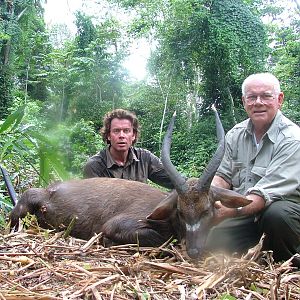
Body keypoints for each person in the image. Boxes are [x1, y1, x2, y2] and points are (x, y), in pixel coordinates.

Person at [207, 73, 300, 267]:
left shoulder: (293, 139)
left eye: (266, 96)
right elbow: (222, 176)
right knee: (213, 240)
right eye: (252, 97)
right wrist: (210, 198)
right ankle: (260, 250)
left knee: (277, 215)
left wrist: (230, 211)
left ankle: (289, 262)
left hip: (282, 212)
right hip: (248, 214)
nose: (258, 102)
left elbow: (262, 195)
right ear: (244, 101)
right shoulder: (235, 134)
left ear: (279, 99)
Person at [83, 108, 174, 189]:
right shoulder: (94, 166)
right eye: (116, 131)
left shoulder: (145, 158)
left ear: (133, 135)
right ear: (108, 136)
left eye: (126, 131)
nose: (121, 136)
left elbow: (174, 181)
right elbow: (93, 204)